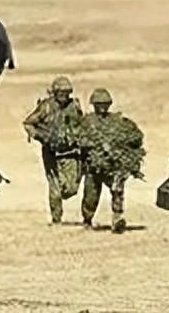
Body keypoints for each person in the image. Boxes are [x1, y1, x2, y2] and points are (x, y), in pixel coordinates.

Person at [78, 88, 145, 233]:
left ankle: (117, 218)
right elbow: (78, 138)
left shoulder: (117, 121)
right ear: (93, 104)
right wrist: (90, 145)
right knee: (91, 196)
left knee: (117, 191)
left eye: (105, 104)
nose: (102, 107)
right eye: (99, 104)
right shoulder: (87, 122)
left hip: (113, 167)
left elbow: (136, 136)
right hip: (93, 167)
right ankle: (87, 220)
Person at [23, 76, 84, 224]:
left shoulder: (74, 106)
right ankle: (56, 218)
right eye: (61, 92)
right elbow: (29, 123)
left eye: (67, 92)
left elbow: (82, 124)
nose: (64, 96)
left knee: (71, 188)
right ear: (55, 92)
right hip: (51, 152)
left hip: (71, 152)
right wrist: (41, 137)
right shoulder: (46, 107)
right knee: (54, 187)